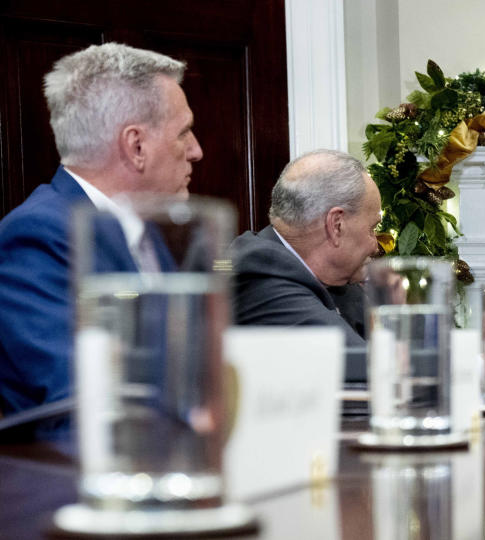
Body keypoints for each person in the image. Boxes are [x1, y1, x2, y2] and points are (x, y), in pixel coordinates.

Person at [0, 43, 203, 415]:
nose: (196, 151)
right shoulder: (36, 237)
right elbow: (80, 406)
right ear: (136, 146)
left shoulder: (147, 235)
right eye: (184, 133)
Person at [231, 150, 381, 349]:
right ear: (336, 225)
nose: (376, 246)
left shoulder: (337, 278)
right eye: (372, 229)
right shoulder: (258, 272)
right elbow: (365, 366)